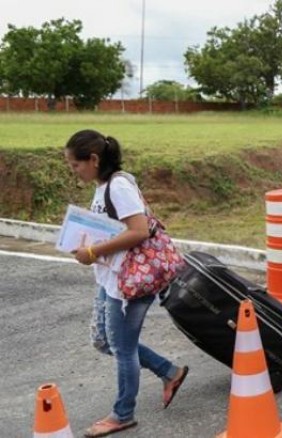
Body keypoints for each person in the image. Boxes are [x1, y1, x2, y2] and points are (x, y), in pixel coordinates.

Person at [64, 130, 188, 437]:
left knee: (122, 347)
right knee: (105, 341)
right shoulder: (104, 185)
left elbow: (139, 230)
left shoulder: (118, 186)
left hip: (130, 282)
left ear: (93, 159)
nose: (73, 171)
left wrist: (92, 251)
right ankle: (169, 372)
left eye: (75, 165)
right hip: (111, 277)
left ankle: (123, 414)